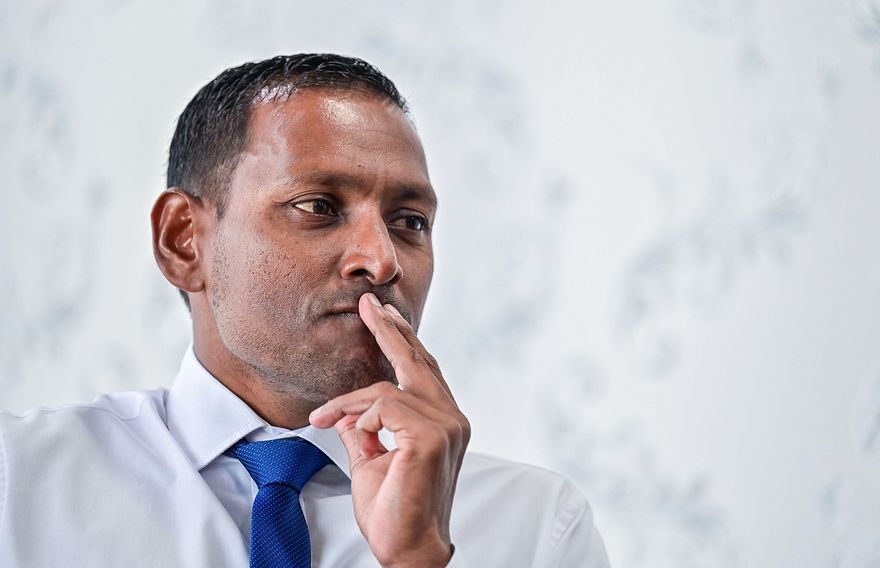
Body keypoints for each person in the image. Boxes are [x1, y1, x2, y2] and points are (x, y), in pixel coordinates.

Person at [0, 54, 610, 567]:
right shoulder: (17, 482)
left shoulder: (537, 529)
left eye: (410, 221)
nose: (381, 261)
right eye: (318, 206)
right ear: (185, 241)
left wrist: (419, 559)